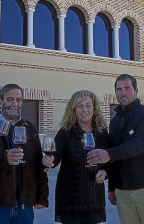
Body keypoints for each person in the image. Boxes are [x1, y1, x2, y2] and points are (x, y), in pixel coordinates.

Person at [87, 74, 144, 224]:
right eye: (119, 89)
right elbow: (114, 156)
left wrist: (108, 154)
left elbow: (140, 144)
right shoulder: (116, 121)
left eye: (127, 88)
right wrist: (112, 187)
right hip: (122, 191)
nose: (123, 93)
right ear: (115, 92)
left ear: (135, 90)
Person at [0, 83, 49, 224]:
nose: (14, 104)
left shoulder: (30, 127)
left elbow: (38, 165)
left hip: (24, 204)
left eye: (19, 100)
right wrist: (5, 160)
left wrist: (42, 196)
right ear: (0, 101)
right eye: (10, 99)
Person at [42, 90, 111, 224]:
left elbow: (110, 162)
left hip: (93, 199)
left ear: (95, 108)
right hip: (70, 199)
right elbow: (55, 157)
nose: (84, 109)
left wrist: (105, 172)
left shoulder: (102, 134)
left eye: (88, 105)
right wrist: (48, 160)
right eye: (79, 106)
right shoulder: (66, 132)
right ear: (73, 110)